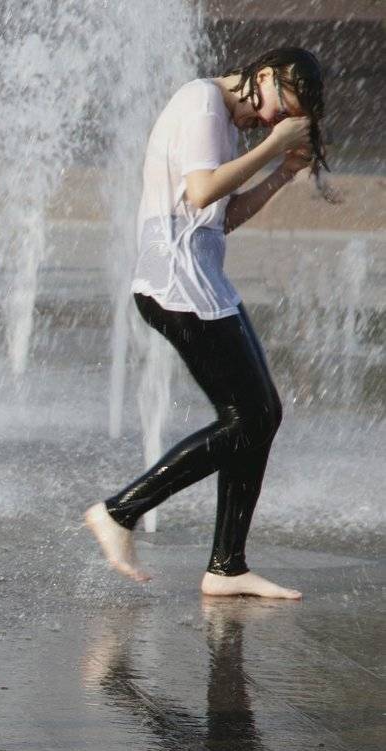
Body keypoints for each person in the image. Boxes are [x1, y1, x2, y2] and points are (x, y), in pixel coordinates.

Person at [85, 48, 331, 600]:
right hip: (176, 287)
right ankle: (120, 512)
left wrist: (283, 174)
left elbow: (219, 217)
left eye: (286, 118)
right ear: (263, 76)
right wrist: (274, 147)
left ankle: (227, 566)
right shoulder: (200, 102)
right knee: (250, 416)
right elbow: (201, 190)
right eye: (280, 108)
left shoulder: (221, 121)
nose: (273, 120)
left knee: (261, 414)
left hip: (202, 283)